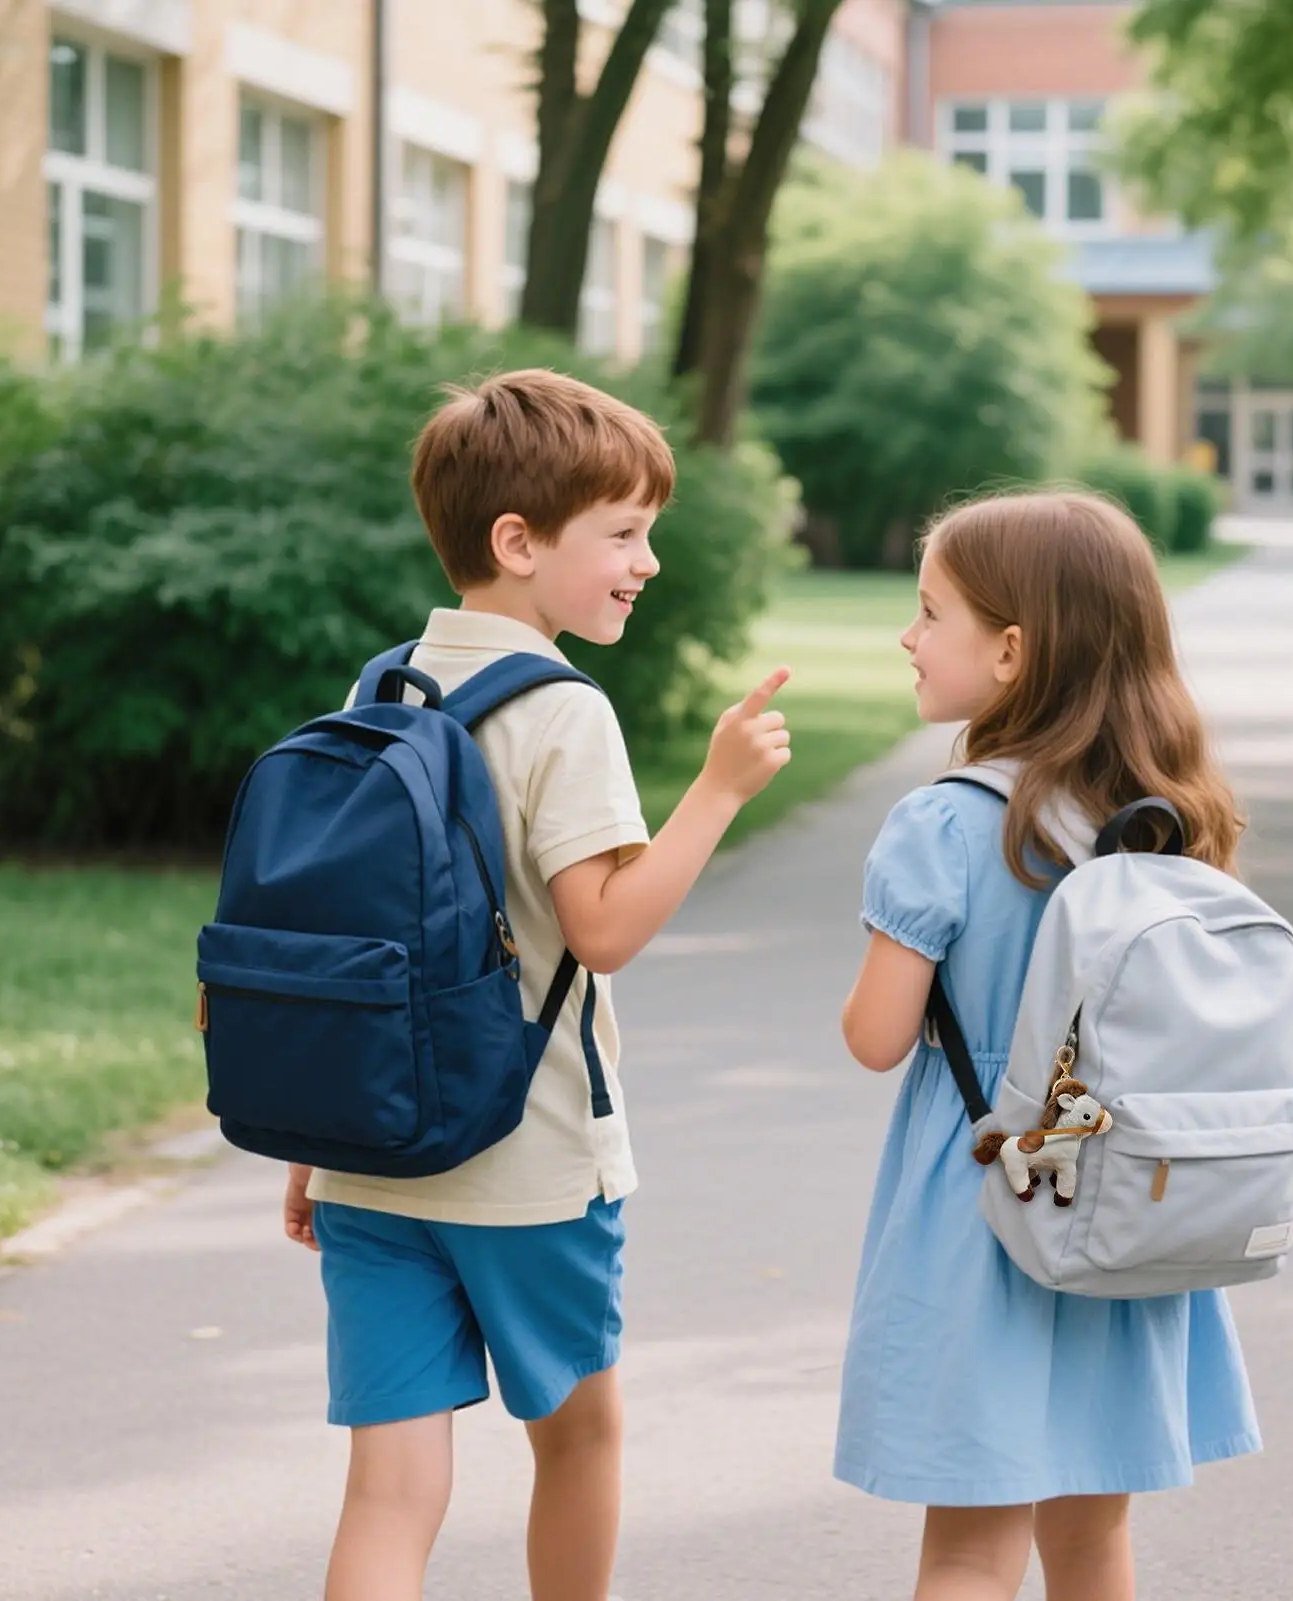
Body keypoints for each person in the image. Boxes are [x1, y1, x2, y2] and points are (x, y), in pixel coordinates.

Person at [281, 368, 792, 1601]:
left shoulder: (378, 688)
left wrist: (314, 1135)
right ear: (517, 542)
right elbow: (602, 930)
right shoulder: (563, 712)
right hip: (532, 1159)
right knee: (578, 1435)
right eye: (621, 533)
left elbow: (353, 945)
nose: (647, 561)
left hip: (375, 1153)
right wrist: (715, 789)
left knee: (389, 1489)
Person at [836, 490, 1261, 1601]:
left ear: (1012, 650)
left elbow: (877, 1036)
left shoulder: (943, 823)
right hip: (1125, 1203)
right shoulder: (1173, 816)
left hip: (985, 1205)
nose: (907, 635)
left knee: (973, 1550)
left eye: (930, 612)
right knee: (1089, 1533)